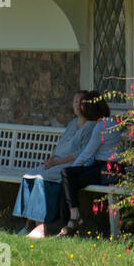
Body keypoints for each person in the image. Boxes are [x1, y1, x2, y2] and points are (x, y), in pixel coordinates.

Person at [13, 91, 96, 238]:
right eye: (75, 102)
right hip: (55, 162)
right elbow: (59, 146)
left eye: (80, 102)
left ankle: (41, 228)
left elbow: (80, 154)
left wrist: (56, 162)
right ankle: (28, 224)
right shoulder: (72, 124)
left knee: (40, 178)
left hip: (70, 165)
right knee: (29, 175)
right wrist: (50, 160)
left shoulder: (90, 127)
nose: (76, 105)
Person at [58, 96, 125, 236]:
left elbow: (87, 153)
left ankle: (71, 221)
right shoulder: (111, 121)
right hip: (108, 168)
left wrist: (74, 168)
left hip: (107, 171)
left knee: (67, 178)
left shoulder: (100, 127)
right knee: (67, 179)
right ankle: (73, 219)